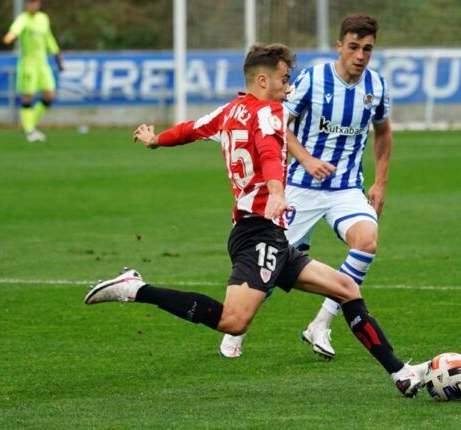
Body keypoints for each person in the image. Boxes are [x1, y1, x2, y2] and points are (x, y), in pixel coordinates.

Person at [84, 43, 429, 397]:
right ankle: (135, 288)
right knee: (233, 321)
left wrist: (155, 140)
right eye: (284, 78)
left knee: (346, 289)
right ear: (263, 80)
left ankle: (400, 372)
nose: (289, 86)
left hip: (268, 235)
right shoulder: (270, 113)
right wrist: (278, 192)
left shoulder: (229, 111)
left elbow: (189, 129)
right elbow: (267, 151)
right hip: (257, 234)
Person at [220, 15, 392, 360]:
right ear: (339, 46)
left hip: (345, 189)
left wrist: (380, 182)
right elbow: (279, 122)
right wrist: (307, 159)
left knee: (367, 241)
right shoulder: (312, 79)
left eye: (368, 49)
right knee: (269, 261)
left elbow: (383, 132)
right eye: (354, 47)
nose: (360, 55)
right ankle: (238, 327)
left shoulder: (376, 87)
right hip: (299, 186)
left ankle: (322, 323)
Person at [3, 0, 64, 143]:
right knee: (28, 96)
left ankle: (29, 124)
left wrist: (58, 58)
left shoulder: (43, 18)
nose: (33, 6)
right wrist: (10, 36)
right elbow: (15, 30)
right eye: (30, 3)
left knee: (49, 95)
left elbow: (49, 39)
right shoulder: (23, 18)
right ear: (26, 5)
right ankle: (29, 130)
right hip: (28, 63)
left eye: (35, 3)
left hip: (42, 63)